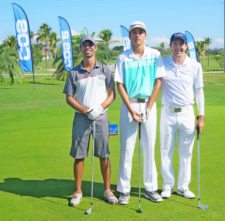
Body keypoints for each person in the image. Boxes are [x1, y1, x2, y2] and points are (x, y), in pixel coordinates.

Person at [114, 21, 166, 204]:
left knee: (149, 149)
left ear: (146, 35)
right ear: (129, 36)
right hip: (130, 105)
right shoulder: (123, 57)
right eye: (134, 32)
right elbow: (119, 85)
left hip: (148, 106)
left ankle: (150, 189)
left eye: (141, 32)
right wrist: (131, 109)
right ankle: (124, 190)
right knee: (127, 150)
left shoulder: (155, 55)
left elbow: (158, 82)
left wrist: (149, 108)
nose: (137, 35)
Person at [63, 35, 118, 206]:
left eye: (91, 45)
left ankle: (108, 190)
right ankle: (78, 191)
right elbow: (69, 98)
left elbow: (112, 93)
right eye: (84, 45)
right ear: (80, 49)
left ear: (95, 48)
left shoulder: (105, 70)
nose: (88, 48)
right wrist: (86, 110)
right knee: (79, 155)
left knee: (104, 154)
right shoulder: (74, 72)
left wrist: (100, 108)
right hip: (82, 117)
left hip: (101, 117)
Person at [160, 32, 205, 199]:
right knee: (166, 151)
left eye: (181, 44)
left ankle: (183, 186)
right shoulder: (163, 64)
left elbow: (199, 92)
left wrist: (201, 116)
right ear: (170, 45)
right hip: (167, 113)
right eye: (175, 44)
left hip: (187, 112)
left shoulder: (195, 66)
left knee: (186, 152)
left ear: (185, 45)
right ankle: (167, 185)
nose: (178, 47)